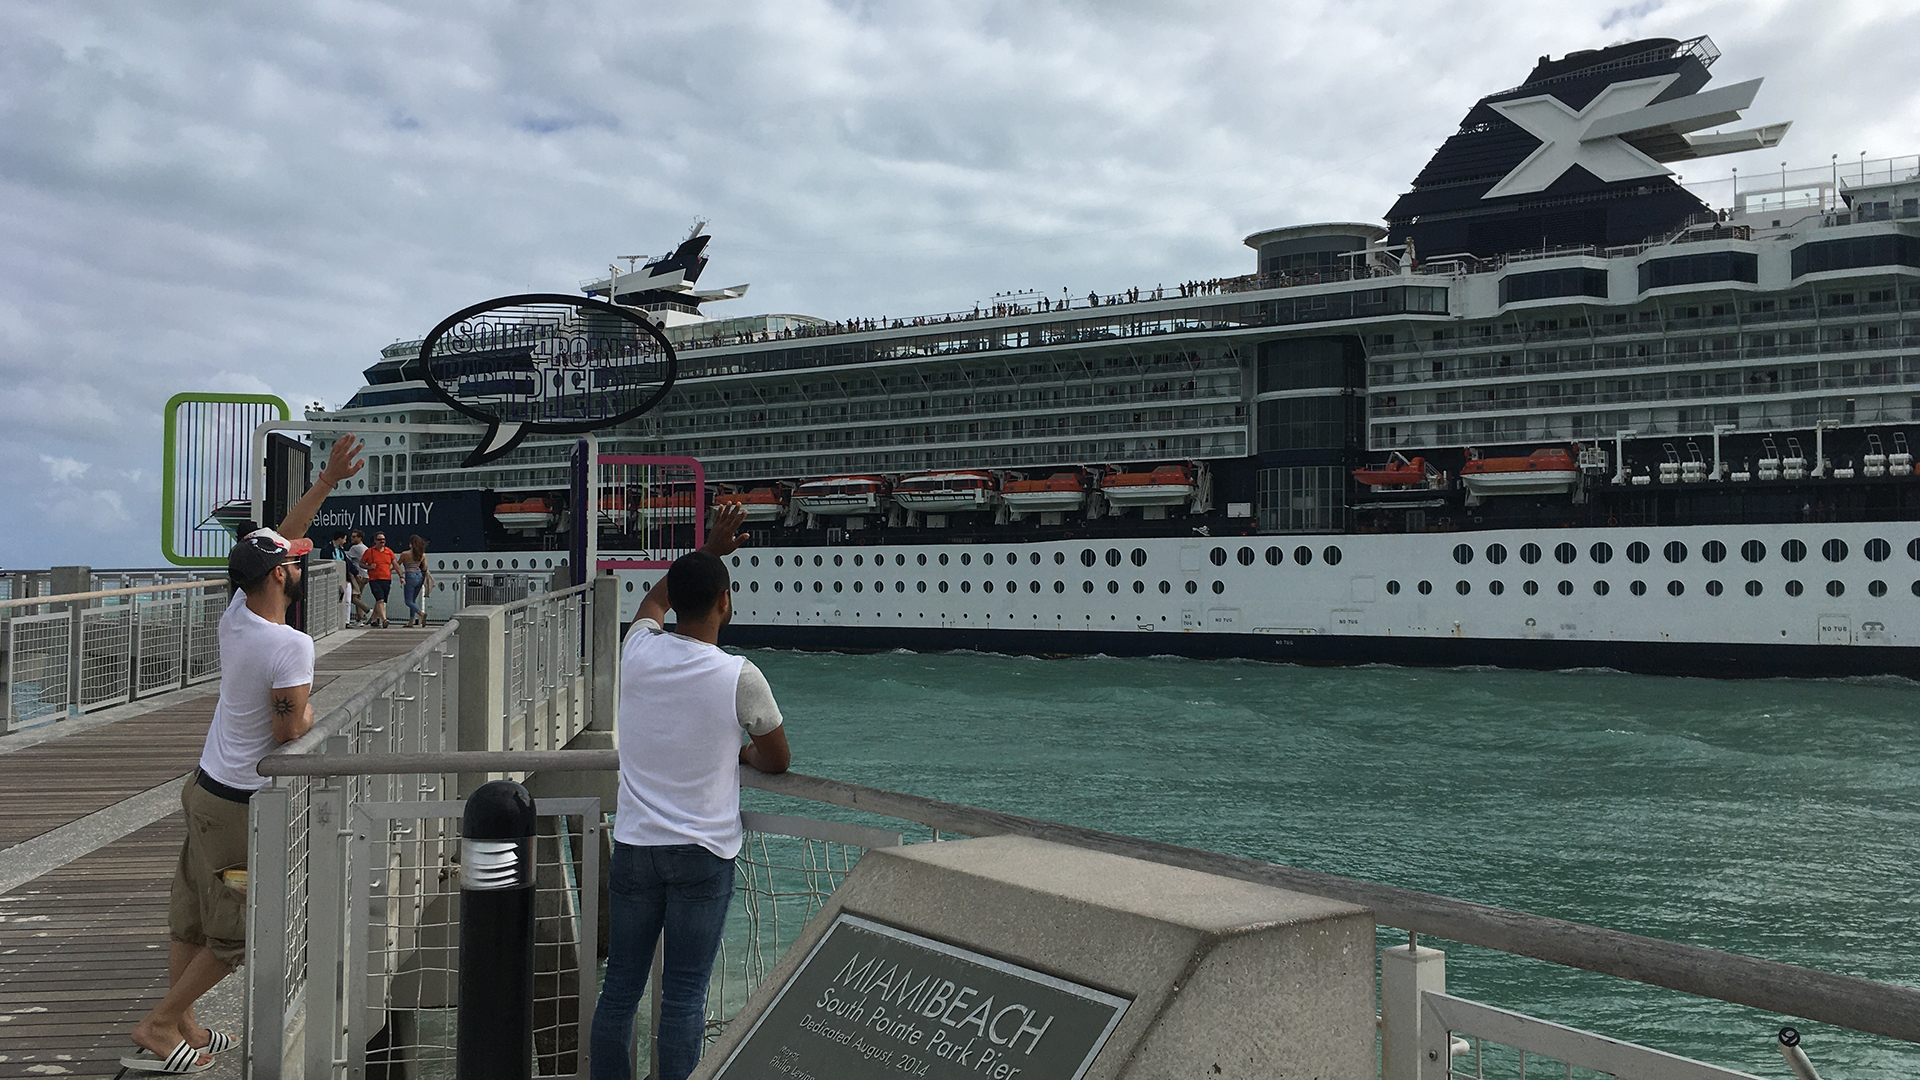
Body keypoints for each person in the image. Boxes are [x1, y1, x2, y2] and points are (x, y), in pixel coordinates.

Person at [125, 434, 363, 1075]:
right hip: (237, 803)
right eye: (295, 561)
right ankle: (160, 1023)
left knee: (194, 916)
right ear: (282, 576)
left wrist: (324, 484)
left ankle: (189, 1026)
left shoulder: (238, 611)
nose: (300, 562)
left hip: (204, 786)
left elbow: (279, 538)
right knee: (232, 935)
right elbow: (290, 731)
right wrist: (313, 709)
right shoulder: (290, 644)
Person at [590, 504, 789, 1080]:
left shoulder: (639, 648)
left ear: (678, 599)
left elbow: (655, 602)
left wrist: (705, 553)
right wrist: (742, 752)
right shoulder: (738, 675)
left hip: (633, 848)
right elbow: (778, 759)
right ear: (726, 603)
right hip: (702, 852)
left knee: (619, 991)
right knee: (682, 997)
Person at [395, 535, 433, 628]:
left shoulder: (404, 554)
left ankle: (421, 614)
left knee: (408, 601)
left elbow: (397, 564)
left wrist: (390, 569)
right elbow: (424, 567)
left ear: (411, 543)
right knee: (413, 600)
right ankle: (411, 621)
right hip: (419, 576)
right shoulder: (422, 554)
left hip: (410, 576)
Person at [361, 532, 396, 628]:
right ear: (375, 541)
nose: (382, 541)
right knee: (380, 599)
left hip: (386, 578)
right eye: (380, 539)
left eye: (383, 539)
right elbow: (361, 563)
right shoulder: (369, 551)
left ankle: (374, 620)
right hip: (374, 578)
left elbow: (395, 563)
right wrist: (369, 567)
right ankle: (384, 619)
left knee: (381, 600)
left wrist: (401, 575)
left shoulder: (389, 551)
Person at [343, 530, 371, 624]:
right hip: (366, 575)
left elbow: (346, 558)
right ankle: (360, 619)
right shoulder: (365, 547)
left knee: (353, 597)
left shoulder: (355, 548)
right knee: (358, 596)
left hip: (359, 575)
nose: (351, 538)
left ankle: (368, 610)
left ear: (359, 538)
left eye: (354, 537)